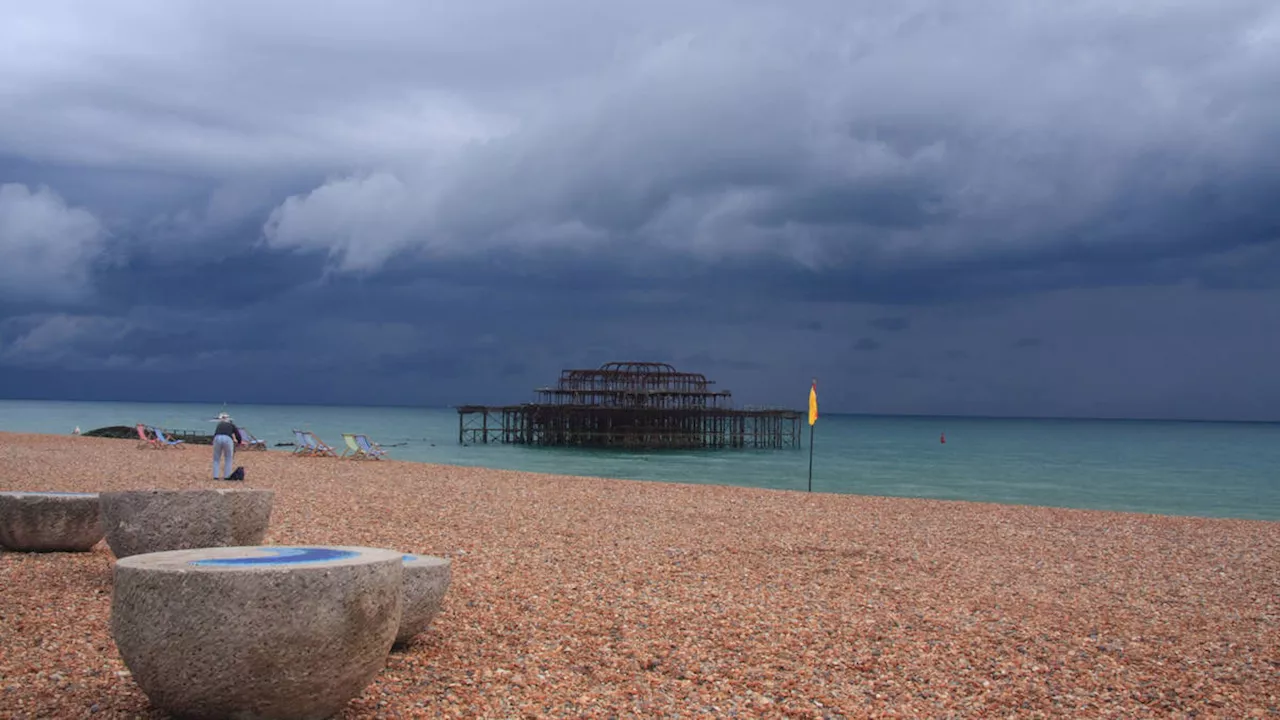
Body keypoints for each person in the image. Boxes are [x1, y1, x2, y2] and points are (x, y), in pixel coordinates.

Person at [211, 412, 244, 480]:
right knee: (228, 458)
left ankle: (215, 476)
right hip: (227, 438)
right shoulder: (232, 425)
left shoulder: (219, 424)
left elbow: (215, 433)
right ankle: (226, 476)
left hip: (217, 438)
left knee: (216, 459)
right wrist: (239, 442)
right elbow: (238, 435)